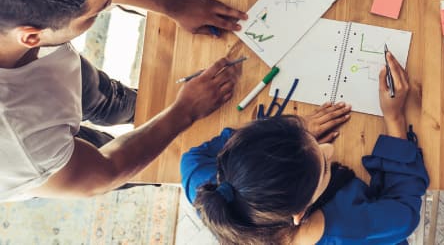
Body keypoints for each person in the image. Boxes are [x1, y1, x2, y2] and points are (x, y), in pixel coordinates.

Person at [0, 0, 245, 200]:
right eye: (97, 12)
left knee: (108, 98)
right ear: (32, 36)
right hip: (39, 152)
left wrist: (174, 3)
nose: (108, 5)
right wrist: (185, 110)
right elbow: (103, 173)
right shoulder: (20, 138)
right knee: (141, 162)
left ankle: (136, 108)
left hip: (44, 79)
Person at [182, 51, 428, 244]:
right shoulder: (351, 229)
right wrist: (395, 119)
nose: (328, 149)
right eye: (324, 168)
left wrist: (292, 132)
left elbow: (190, 160)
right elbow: (404, 211)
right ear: (300, 213)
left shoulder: (208, 190)